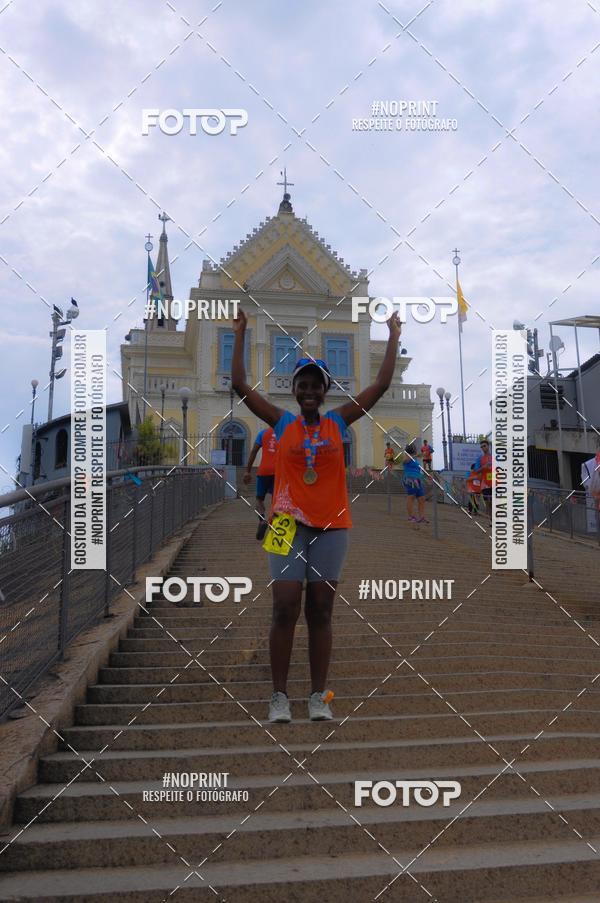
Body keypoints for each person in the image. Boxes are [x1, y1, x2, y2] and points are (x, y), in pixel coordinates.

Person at [231, 307, 401, 723]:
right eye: (302, 385)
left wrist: (393, 335)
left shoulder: (339, 422)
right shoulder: (281, 421)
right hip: (286, 521)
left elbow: (379, 386)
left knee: (321, 608)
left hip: (332, 524)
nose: (309, 391)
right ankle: (278, 697)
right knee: (285, 605)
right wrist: (240, 332)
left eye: (316, 386)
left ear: (325, 392)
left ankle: (318, 697)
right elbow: (239, 385)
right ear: (295, 391)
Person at [243, 427, 277, 540]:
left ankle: (262, 520)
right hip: (279, 472)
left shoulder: (263, 433)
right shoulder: (285, 432)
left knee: (259, 499)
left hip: (264, 471)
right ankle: (274, 524)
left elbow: (253, 451)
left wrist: (247, 471)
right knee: (276, 500)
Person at [402, 442, 427, 524]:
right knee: (411, 497)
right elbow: (405, 461)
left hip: (418, 479)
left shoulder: (415, 459)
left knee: (422, 498)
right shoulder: (406, 457)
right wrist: (416, 456)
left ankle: (422, 517)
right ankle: (411, 516)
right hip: (410, 479)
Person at [473, 439, 493, 525]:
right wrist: (484, 466)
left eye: (484, 446)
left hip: (496, 482)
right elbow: (476, 471)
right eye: (481, 447)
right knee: (489, 503)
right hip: (485, 484)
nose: (483, 448)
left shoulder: (494, 457)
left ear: (488, 446)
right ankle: (492, 521)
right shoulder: (479, 459)